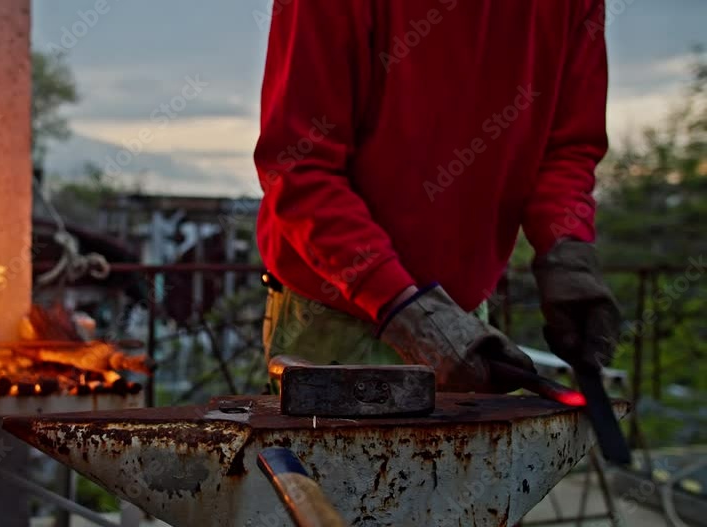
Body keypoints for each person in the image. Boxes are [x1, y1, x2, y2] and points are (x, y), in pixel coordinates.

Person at [255, 0, 621, 392]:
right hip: (336, 313)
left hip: (462, 325)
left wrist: (567, 256)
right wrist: (402, 308)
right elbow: (297, 165)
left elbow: (566, 148)